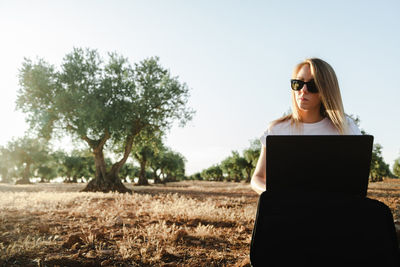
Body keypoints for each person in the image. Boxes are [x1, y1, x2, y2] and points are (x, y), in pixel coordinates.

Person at [250, 58, 361, 195]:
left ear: (326, 91)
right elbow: (258, 178)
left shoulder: (346, 127)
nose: (303, 90)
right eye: (298, 83)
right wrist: (276, 195)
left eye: (313, 85)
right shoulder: (276, 129)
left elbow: (356, 178)